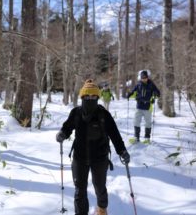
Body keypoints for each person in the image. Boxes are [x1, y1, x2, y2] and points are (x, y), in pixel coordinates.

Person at [56, 79, 130, 215]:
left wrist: (122, 151)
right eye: (87, 96)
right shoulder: (76, 113)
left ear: (97, 97)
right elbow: (67, 127)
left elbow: (115, 135)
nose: (90, 98)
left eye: (93, 96)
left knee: (100, 188)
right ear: (82, 97)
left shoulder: (104, 115)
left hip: (100, 158)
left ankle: (102, 210)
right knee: (80, 190)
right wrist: (62, 134)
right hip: (79, 157)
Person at [127, 70, 160, 143]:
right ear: (140, 78)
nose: (144, 79)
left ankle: (147, 138)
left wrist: (155, 95)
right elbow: (133, 92)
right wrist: (129, 94)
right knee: (136, 121)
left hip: (148, 106)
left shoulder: (151, 84)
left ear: (147, 77)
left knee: (148, 122)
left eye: (145, 77)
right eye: (142, 78)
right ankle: (136, 137)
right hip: (139, 106)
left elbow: (158, 93)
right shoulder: (138, 84)